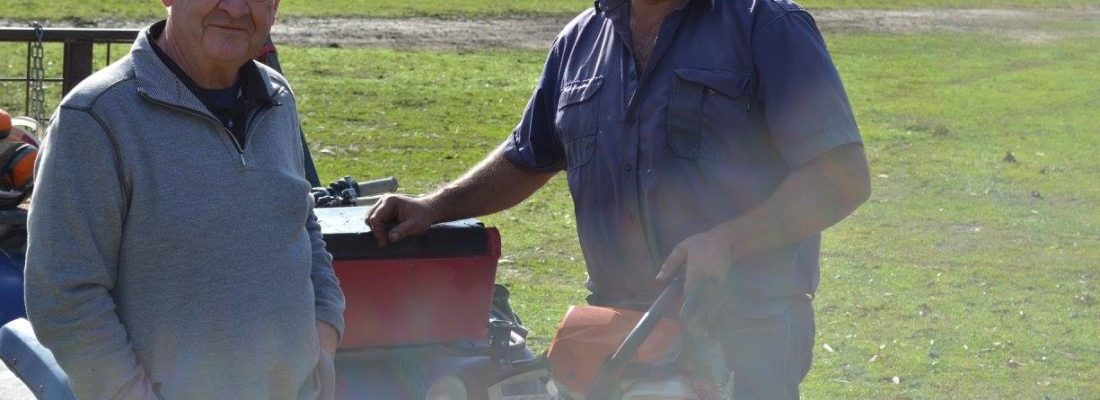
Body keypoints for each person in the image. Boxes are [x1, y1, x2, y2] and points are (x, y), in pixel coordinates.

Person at [369, 0, 870, 398]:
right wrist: (436, 205)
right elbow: (529, 156)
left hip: (745, 328)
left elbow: (842, 177)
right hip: (616, 328)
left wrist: (727, 242)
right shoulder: (580, 41)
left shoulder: (768, 25)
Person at [23, 0, 345, 398]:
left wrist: (324, 335)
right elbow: (65, 297)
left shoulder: (277, 98)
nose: (236, 8)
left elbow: (302, 222)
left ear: (275, 7)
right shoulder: (95, 118)